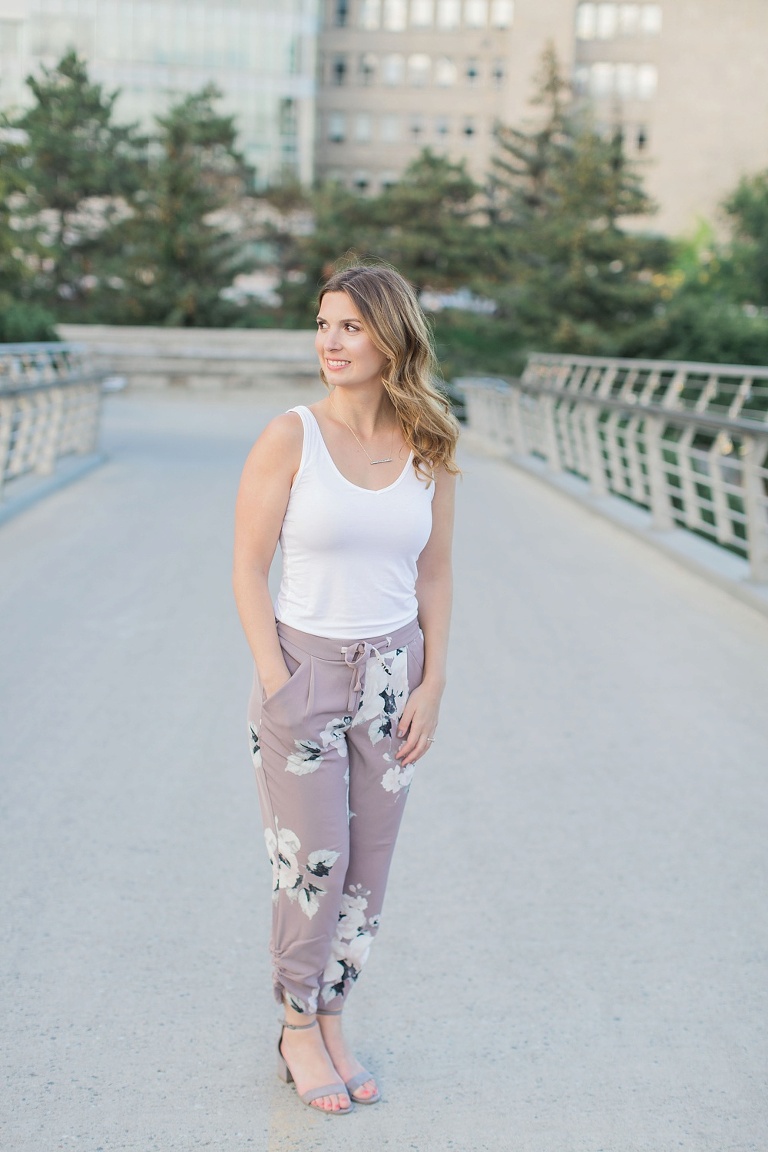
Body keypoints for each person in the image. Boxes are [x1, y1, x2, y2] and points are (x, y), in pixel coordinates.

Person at [232, 263, 458, 1114]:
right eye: (324, 324)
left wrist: (434, 683)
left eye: (351, 327)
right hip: (306, 674)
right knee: (314, 866)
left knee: (368, 867)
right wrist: (275, 681)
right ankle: (294, 1023)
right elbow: (248, 568)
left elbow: (434, 575)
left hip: (395, 679)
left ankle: (332, 1015)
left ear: (391, 336)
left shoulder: (429, 444)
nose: (330, 341)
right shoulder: (290, 435)